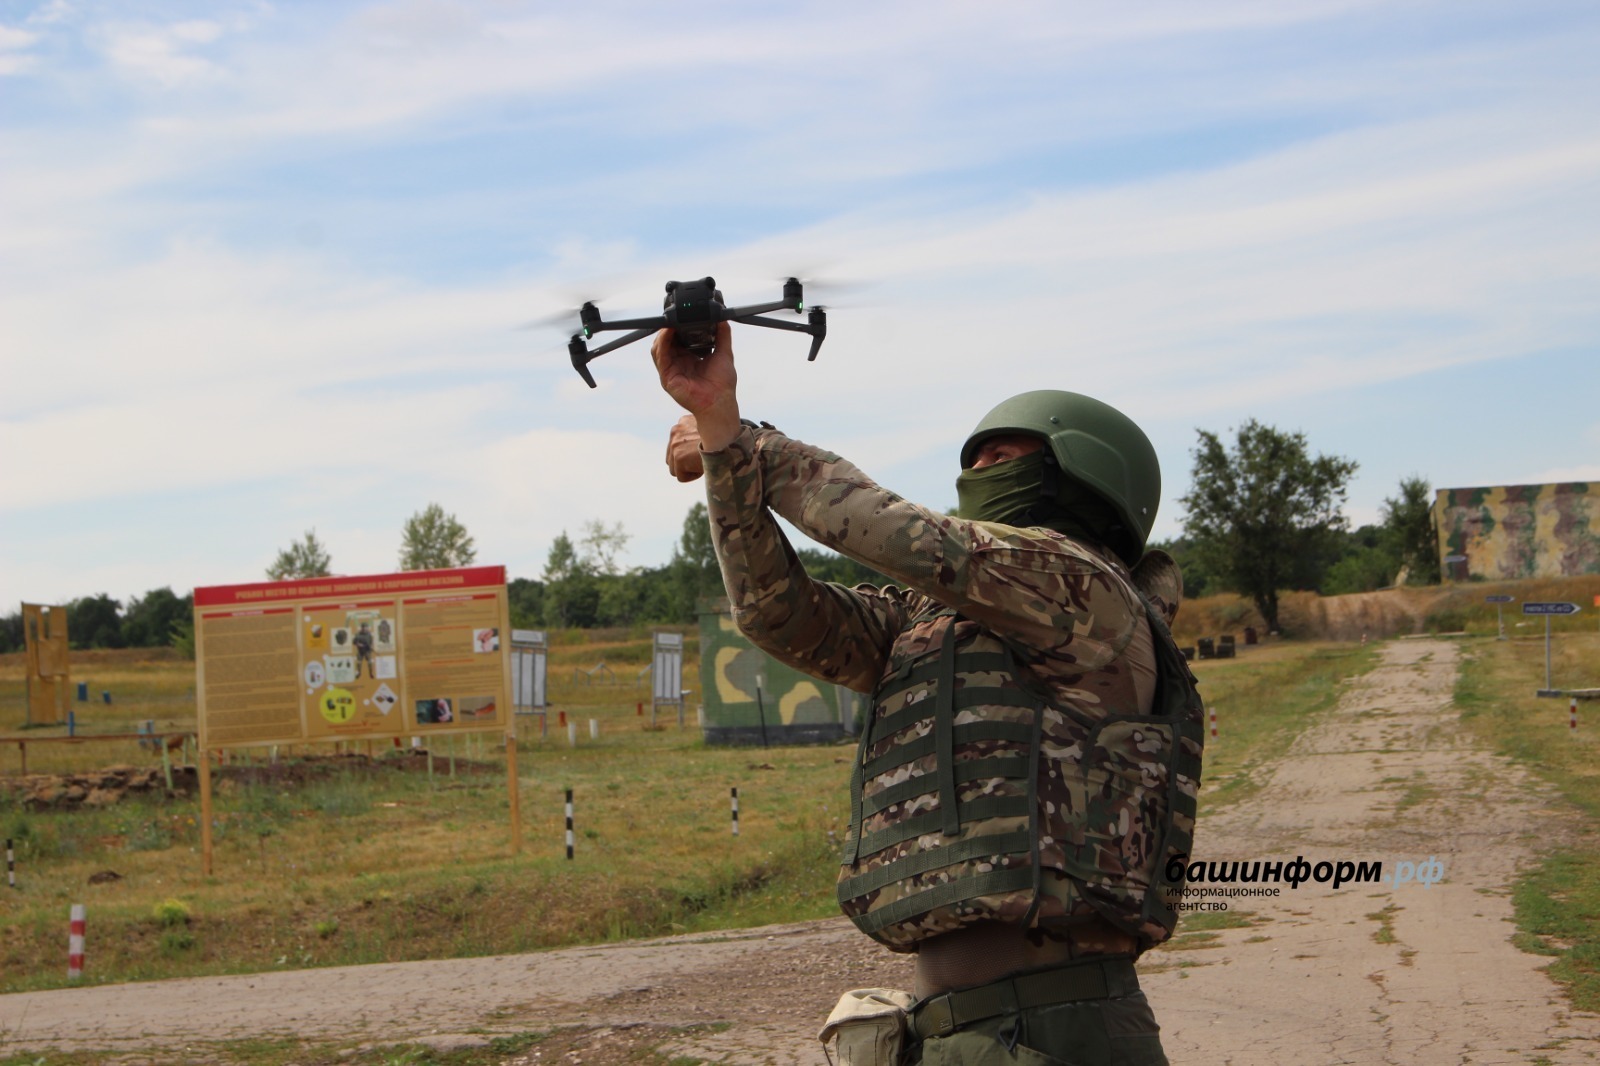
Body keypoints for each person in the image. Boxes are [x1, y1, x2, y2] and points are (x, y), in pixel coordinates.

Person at [654, 323, 1202, 1066]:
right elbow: (777, 612)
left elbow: (905, 538)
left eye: (1006, 455)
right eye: (974, 456)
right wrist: (725, 454)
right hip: (945, 1029)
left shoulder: (1087, 591)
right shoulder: (928, 621)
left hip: (1059, 1030)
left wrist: (742, 439)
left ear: (1086, 478)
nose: (981, 466)